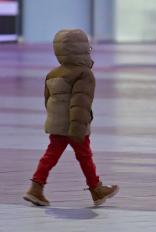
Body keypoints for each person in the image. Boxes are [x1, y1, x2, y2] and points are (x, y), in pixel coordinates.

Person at [23, 29, 119, 207]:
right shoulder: (84, 74)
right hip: (75, 126)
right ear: (82, 49)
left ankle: (36, 188)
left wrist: (55, 121)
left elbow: (48, 101)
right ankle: (96, 190)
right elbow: (80, 103)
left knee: (50, 155)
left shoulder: (53, 74)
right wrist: (77, 129)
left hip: (56, 124)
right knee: (85, 156)